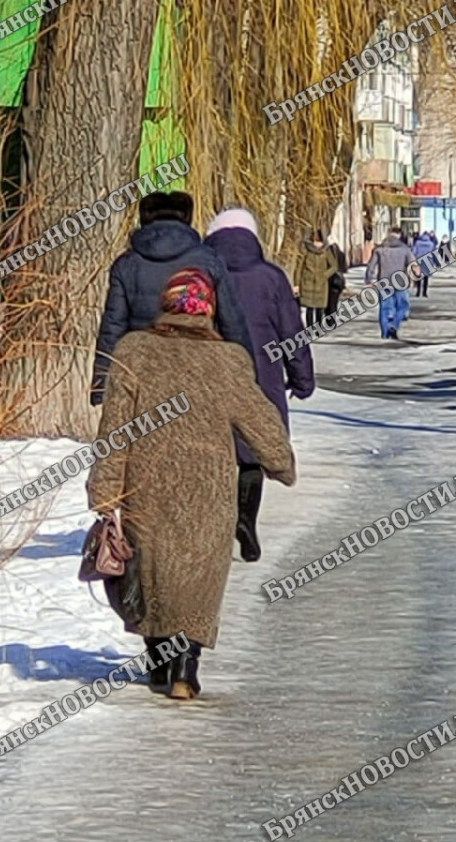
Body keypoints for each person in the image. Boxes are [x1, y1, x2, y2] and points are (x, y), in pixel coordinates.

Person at [86, 268, 295, 701]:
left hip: (148, 483)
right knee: (198, 575)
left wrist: (105, 489)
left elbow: (115, 429)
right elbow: (259, 419)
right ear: (209, 311)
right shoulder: (228, 360)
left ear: (166, 304)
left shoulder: (135, 351)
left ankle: (159, 660)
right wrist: (280, 462)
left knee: (154, 573)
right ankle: (186, 666)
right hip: (209, 486)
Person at [204, 208, 315, 562]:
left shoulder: (200, 274)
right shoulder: (271, 278)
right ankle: (246, 520)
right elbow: (291, 332)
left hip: (211, 375)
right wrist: (302, 379)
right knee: (251, 454)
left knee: (214, 451)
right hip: (260, 377)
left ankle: (216, 526)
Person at [90, 191, 253, 405]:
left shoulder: (126, 264)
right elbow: (232, 322)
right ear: (186, 219)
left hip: (142, 370)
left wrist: (101, 385)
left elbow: (113, 328)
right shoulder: (209, 260)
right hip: (199, 367)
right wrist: (247, 378)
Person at [365, 226, 418, 340]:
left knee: (384, 308)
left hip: (384, 282)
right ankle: (394, 325)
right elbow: (413, 265)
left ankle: (385, 333)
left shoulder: (379, 249)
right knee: (403, 306)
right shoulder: (405, 249)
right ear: (399, 235)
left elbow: (371, 265)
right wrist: (413, 279)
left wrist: (369, 279)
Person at [293, 229, 340, 328]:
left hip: (321, 283)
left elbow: (334, 266)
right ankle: (310, 328)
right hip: (307, 282)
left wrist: (325, 274)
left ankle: (318, 327)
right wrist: (296, 283)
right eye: (315, 241)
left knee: (320, 307)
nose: (317, 244)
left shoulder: (326, 252)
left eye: (319, 241)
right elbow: (299, 267)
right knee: (309, 308)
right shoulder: (306, 250)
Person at [412, 230, 435, 297]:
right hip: (428, 262)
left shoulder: (417, 243)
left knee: (418, 277)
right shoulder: (431, 244)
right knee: (426, 278)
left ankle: (418, 292)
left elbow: (414, 252)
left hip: (419, 261)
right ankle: (425, 293)